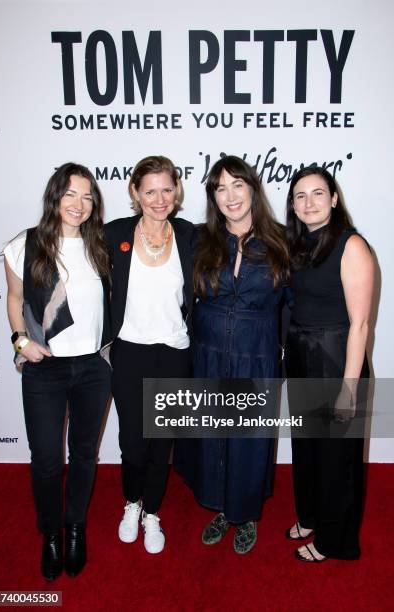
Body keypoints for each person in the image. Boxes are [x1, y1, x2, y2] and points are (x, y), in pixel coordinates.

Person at [174, 155, 289, 554]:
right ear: (213, 197)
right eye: (220, 188)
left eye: (237, 185)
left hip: (256, 356)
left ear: (253, 189)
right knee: (211, 437)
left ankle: (246, 515)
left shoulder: (283, 241)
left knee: (249, 440)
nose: (230, 195)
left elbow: (295, 306)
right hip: (207, 354)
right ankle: (222, 508)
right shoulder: (198, 239)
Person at [3, 163, 112, 580]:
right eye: (70, 194)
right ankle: (50, 532)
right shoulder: (25, 244)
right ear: (55, 197)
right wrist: (19, 341)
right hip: (44, 369)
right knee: (47, 459)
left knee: (85, 453)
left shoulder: (99, 245)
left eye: (87, 196)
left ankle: (75, 528)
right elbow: (14, 298)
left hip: (93, 368)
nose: (79, 204)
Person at [104, 155, 194, 554]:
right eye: (151, 190)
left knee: (162, 441)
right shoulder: (113, 234)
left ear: (177, 191)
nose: (160, 199)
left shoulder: (191, 236)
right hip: (129, 352)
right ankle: (132, 503)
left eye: (167, 189)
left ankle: (153, 512)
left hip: (174, 352)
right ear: (135, 193)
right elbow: (66, 248)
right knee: (133, 440)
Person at [284, 166, 374, 562]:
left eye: (318, 193)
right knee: (307, 448)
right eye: (300, 196)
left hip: (338, 358)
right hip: (302, 355)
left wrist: (349, 386)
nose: (309, 202)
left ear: (334, 199)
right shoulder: (298, 244)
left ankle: (334, 542)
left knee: (337, 455)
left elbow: (360, 324)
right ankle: (311, 516)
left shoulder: (350, 244)